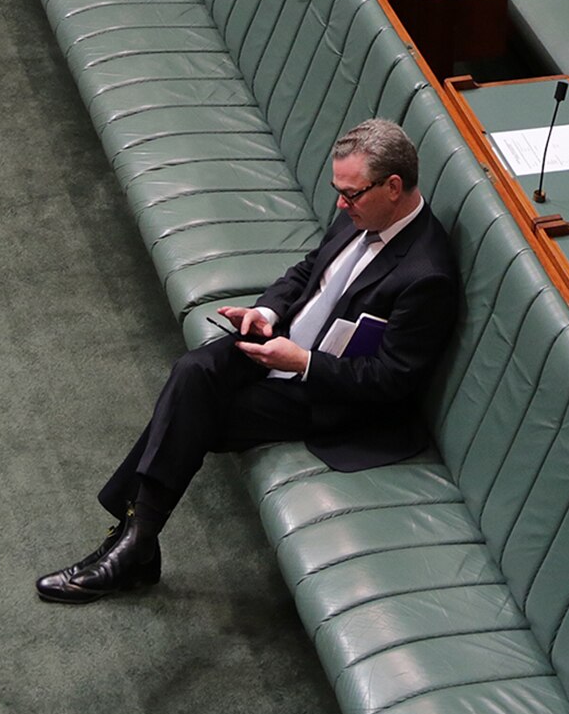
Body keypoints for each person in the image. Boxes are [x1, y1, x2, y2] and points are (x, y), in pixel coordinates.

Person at [36, 118, 458, 604]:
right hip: (280, 344)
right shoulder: (360, 213)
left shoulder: (427, 274)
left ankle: (132, 545)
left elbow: (392, 381)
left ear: (393, 186)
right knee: (191, 373)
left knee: (190, 414)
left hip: (330, 394)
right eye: (338, 191)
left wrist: (301, 361)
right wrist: (266, 310)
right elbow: (308, 272)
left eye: (352, 194)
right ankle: (136, 544)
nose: (341, 204)